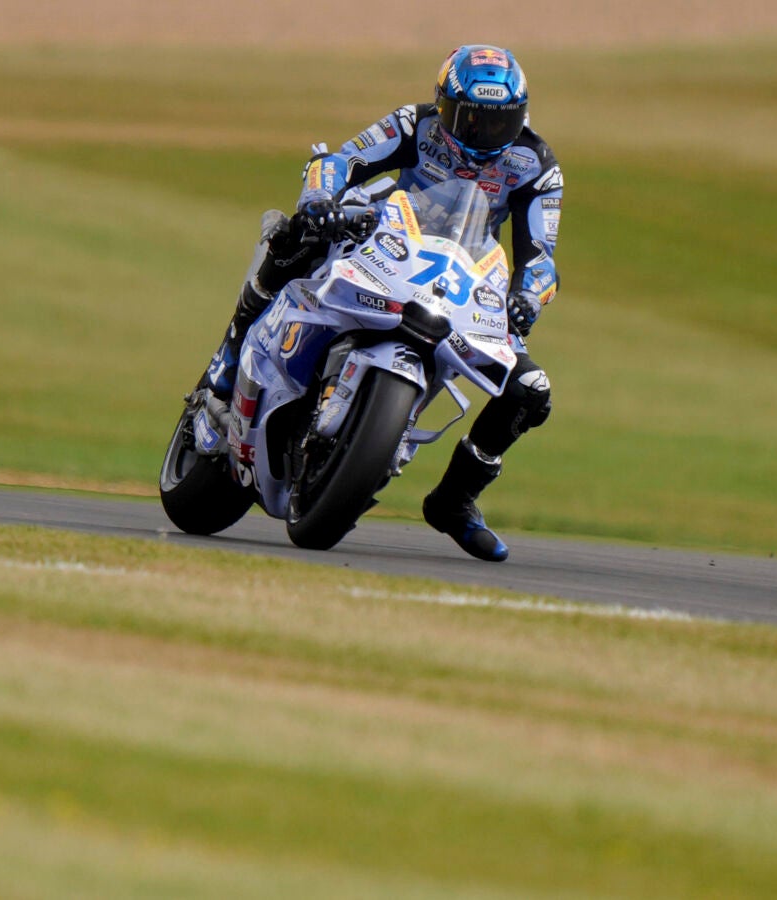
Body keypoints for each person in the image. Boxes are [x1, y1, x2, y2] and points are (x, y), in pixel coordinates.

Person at [195, 44, 562, 561]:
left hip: (461, 277)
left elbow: (541, 258)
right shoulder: (415, 124)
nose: (481, 133)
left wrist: (527, 298)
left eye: (497, 122)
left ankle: (455, 500)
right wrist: (320, 200)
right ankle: (229, 358)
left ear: (520, 117)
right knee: (298, 236)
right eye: (469, 118)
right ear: (444, 105)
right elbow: (340, 161)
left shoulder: (536, 165)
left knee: (530, 392)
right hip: (388, 236)